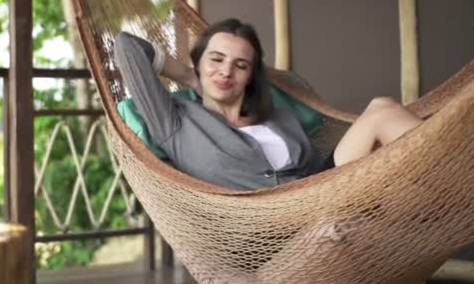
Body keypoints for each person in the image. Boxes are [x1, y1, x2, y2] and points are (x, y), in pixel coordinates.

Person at [114, 18, 422, 191]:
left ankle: (454, 183)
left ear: (250, 75)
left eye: (240, 65)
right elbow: (127, 46)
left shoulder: (275, 115)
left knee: (382, 109)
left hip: (323, 189)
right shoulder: (175, 121)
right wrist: (191, 77)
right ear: (199, 62)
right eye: (216, 60)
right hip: (275, 221)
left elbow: (316, 169)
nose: (226, 72)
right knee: (384, 117)